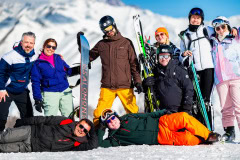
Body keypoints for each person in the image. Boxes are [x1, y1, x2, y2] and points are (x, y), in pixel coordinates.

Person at [79, 15, 142, 125]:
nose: (109, 32)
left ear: (114, 26)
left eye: (110, 28)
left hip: (125, 86)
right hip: (107, 86)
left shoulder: (126, 43)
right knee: (99, 114)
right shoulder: (101, 45)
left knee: (133, 112)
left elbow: (134, 64)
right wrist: (81, 44)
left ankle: (136, 132)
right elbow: (88, 56)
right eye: (105, 30)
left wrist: (138, 81)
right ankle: (96, 136)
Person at [97, 108, 221, 147]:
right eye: (108, 122)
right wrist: (101, 128)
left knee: (183, 117)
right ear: (107, 126)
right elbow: (99, 143)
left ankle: (209, 135)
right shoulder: (115, 139)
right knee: (188, 139)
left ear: (117, 116)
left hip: (161, 122)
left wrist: (163, 112)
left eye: (113, 118)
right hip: (160, 137)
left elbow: (147, 115)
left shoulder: (128, 117)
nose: (112, 122)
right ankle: (203, 140)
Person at [0, 32, 38, 132]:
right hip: (7, 90)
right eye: (26, 42)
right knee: (1, 117)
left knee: (28, 117)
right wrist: (1, 89)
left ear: (34, 44)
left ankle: (25, 138)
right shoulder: (9, 56)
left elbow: (46, 60)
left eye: (31, 43)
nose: (28, 45)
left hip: (22, 90)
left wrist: (57, 57)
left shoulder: (35, 56)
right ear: (21, 42)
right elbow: (1, 73)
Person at [31, 38, 80, 117]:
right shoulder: (38, 63)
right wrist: (37, 99)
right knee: (50, 120)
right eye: (49, 46)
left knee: (69, 117)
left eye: (53, 47)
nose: (51, 49)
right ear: (44, 46)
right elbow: (35, 82)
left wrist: (79, 69)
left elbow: (68, 71)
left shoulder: (58, 58)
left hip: (65, 91)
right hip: (50, 93)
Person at [210, 16, 240, 142]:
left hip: (235, 77)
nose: (221, 30)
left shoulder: (236, 38)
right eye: (217, 28)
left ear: (227, 27)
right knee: (225, 107)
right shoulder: (213, 41)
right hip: (220, 79)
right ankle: (229, 131)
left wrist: (235, 29)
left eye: (223, 27)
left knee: (238, 106)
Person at [179, 7, 215, 108]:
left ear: (202, 20)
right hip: (194, 70)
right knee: (195, 101)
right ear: (189, 18)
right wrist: (183, 55)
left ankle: (207, 123)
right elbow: (181, 55)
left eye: (198, 18)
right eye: (193, 17)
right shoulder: (184, 35)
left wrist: (232, 29)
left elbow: (222, 32)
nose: (195, 20)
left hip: (208, 69)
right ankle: (196, 122)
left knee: (206, 101)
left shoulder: (208, 30)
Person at [0, 116, 98, 152]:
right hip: (30, 132)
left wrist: (92, 127)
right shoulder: (66, 121)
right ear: (77, 123)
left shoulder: (76, 144)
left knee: (3, 149)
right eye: (81, 126)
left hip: (30, 147)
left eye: (85, 131)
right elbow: (44, 119)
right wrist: (23, 122)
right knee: (3, 138)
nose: (81, 130)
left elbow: (93, 144)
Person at [143, 45, 194, 114]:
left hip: (179, 112)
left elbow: (188, 89)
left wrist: (186, 109)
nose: (163, 59)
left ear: (170, 57)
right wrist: (145, 84)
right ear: (157, 58)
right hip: (163, 113)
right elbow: (150, 92)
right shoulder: (155, 72)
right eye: (161, 56)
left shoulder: (179, 70)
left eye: (166, 56)